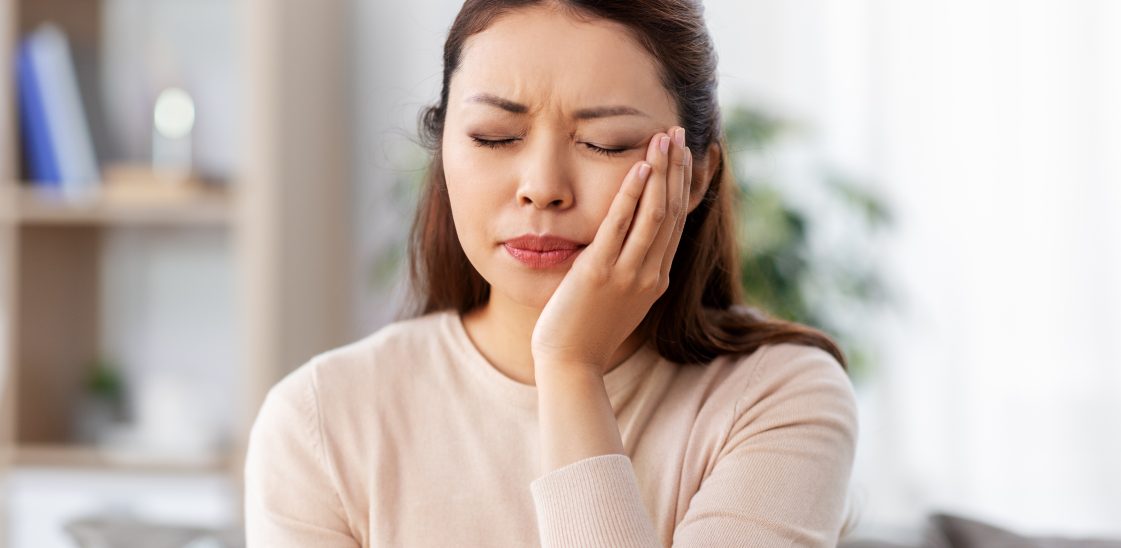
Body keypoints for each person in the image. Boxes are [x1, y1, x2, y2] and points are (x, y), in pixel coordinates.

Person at [244, 1, 860, 546]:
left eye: (606, 143)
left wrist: (570, 367)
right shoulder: (322, 421)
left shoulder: (778, 398)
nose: (542, 188)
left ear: (695, 175)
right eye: (493, 137)